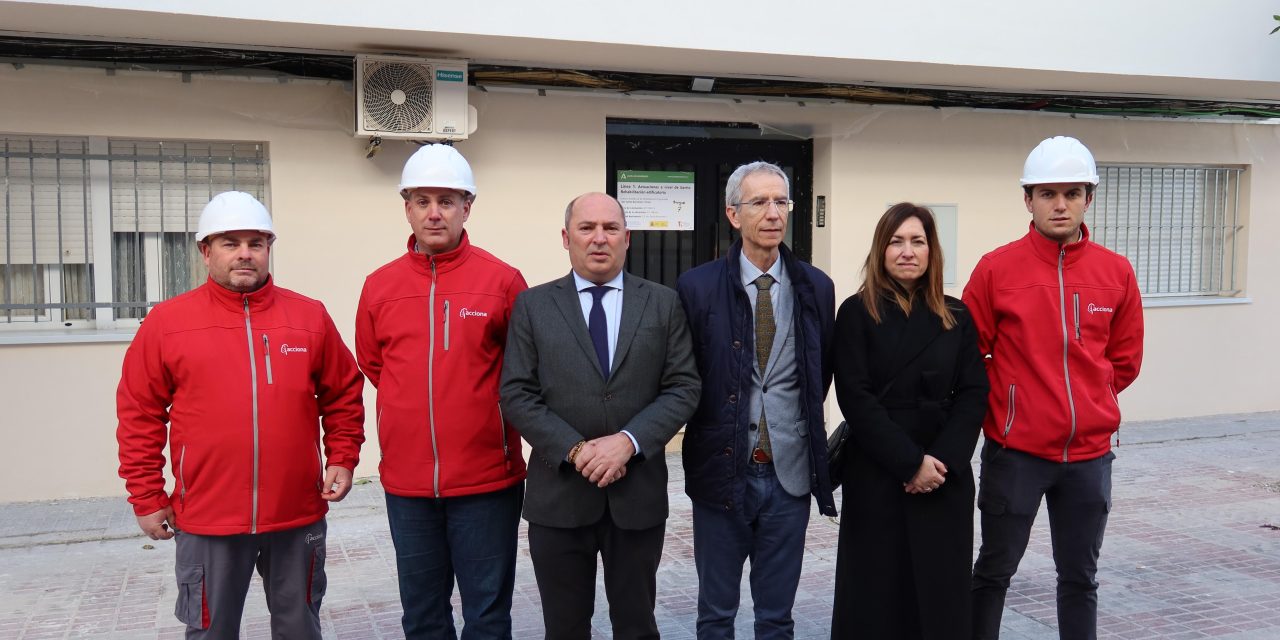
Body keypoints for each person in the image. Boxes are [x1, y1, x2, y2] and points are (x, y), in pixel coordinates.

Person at [116, 191, 365, 639]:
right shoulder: (168, 323)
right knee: (211, 631)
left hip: (295, 514)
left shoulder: (308, 318)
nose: (245, 254)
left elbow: (343, 393)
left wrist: (343, 457)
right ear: (205, 250)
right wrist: (147, 495)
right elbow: (139, 412)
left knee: (300, 628)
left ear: (269, 249)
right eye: (230, 242)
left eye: (257, 243)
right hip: (208, 517)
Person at [964, 136, 1144, 640]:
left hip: (1089, 458)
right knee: (994, 571)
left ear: (1089, 198)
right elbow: (968, 356)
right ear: (1028, 200)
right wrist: (1009, 408)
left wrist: (1092, 401)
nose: (1059, 204)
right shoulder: (996, 269)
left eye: (1071, 192)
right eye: (1047, 193)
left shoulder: (1116, 272)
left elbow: (1125, 361)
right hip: (1015, 453)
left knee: (1080, 579)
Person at [499, 192, 700, 640]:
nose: (599, 239)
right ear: (566, 238)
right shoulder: (533, 306)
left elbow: (684, 386)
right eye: (587, 228)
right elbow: (516, 393)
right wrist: (575, 450)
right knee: (565, 628)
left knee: (637, 625)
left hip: (637, 498)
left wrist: (627, 442)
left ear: (627, 239)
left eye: (610, 228)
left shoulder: (663, 304)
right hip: (559, 496)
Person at [355, 144, 528, 639]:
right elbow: (374, 364)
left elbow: (523, 371)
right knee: (423, 616)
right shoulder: (380, 286)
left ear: (467, 207)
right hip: (407, 485)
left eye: (447, 201)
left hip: (487, 483)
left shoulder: (502, 282)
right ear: (406, 206)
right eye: (423, 200)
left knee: (488, 616)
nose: (435, 212)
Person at [676, 161, 836, 639]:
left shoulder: (816, 286)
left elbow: (818, 372)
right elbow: (688, 377)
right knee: (715, 615)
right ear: (733, 214)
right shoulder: (697, 287)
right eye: (759, 202)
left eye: (781, 202)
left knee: (776, 617)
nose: (773, 213)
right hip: (722, 474)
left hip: (789, 477)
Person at [830, 203, 989, 639]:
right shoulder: (856, 313)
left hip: (943, 476)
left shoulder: (956, 315)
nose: (907, 251)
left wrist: (940, 461)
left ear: (932, 251)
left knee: (940, 595)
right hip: (880, 472)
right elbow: (855, 398)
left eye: (917, 241)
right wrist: (909, 463)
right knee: (875, 596)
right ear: (880, 250)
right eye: (896, 241)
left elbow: (975, 392)